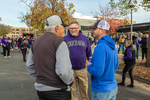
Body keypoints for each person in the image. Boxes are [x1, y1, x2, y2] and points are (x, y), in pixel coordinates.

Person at [26, 15, 74, 100]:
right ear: (57, 28)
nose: (64, 30)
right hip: (57, 90)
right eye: (63, 27)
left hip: (41, 89)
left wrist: (42, 76)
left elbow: (30, 65)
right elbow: (64, 71)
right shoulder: (59, 42)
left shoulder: (36, 42)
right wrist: (70, 81)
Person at [87, 20, 119, 100]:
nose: (92, 31)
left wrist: (89, 67)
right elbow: (116, 66)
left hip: (101, 90)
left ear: (102, 30)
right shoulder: (113, 46)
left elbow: (97, 72)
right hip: (112, 87)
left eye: (95, 29)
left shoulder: (100, 47)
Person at [63, 20, 92, 100]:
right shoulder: (64, 39)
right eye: (71, 28)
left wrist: (90, 62)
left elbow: (89, 53)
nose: (73, 30)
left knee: (84, 90)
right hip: (70, 70)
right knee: (73, 92)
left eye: (75, 28)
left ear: (79, 28)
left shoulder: (84, 38)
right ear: (69, 29)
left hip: (82, 69)